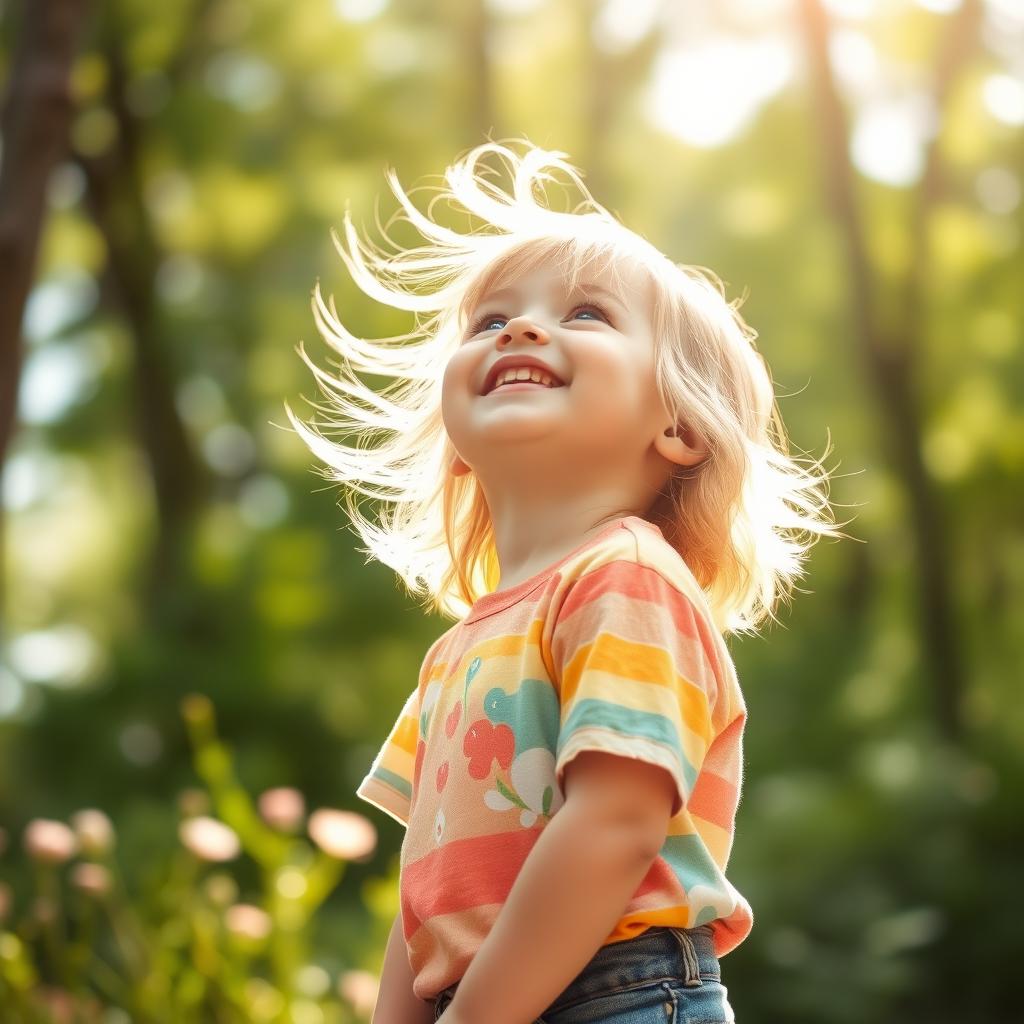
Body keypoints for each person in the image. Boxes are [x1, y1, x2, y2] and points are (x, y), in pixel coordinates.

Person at [286, 139, 850, 1024]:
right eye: (488, 322)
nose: (519, 328)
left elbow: (616, 826)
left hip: (616, 994)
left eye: (586, 313)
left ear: (680, 426)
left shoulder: (625, 577)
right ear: (459, 450)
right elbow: (426, 891)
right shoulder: (455, 651)